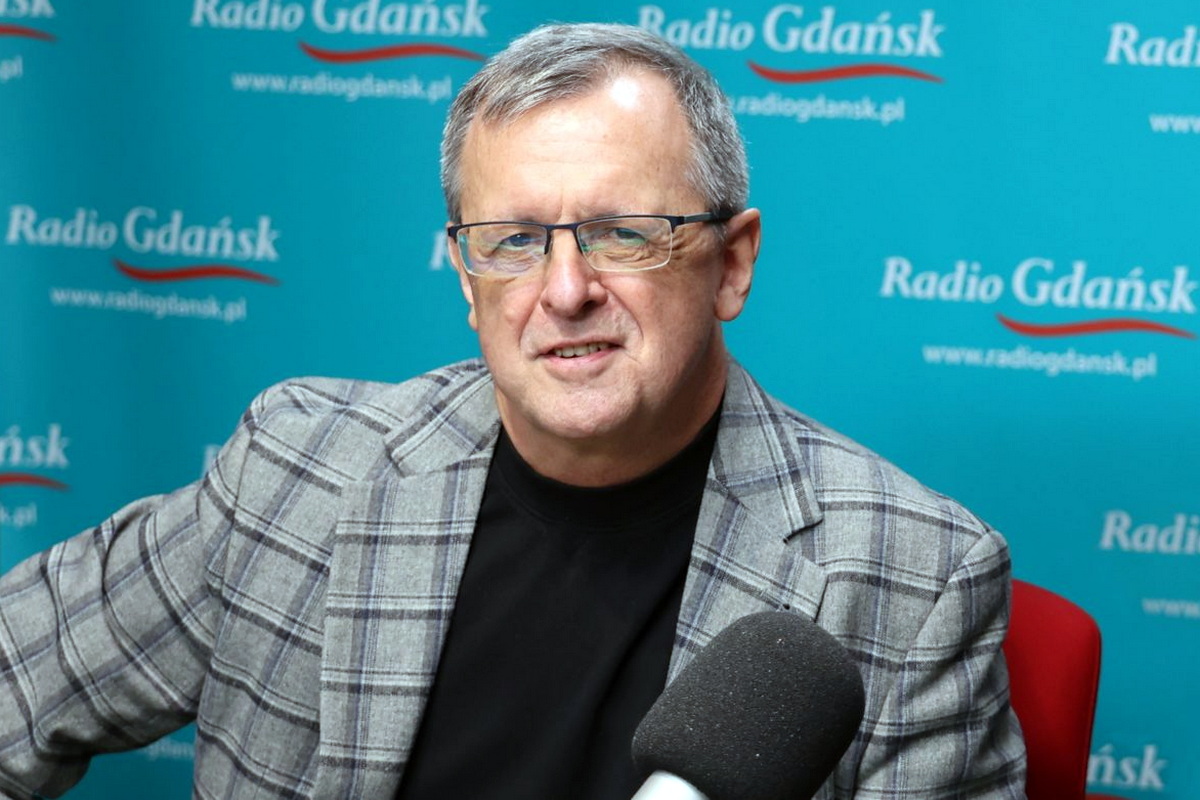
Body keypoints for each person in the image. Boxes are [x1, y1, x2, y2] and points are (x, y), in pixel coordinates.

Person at [0, 22, 1025, 800]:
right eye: (514, 241)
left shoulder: (910, 580)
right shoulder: (299, 470)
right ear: (465, 273)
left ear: (731, 262)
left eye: (624, 232)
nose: (564, 289)